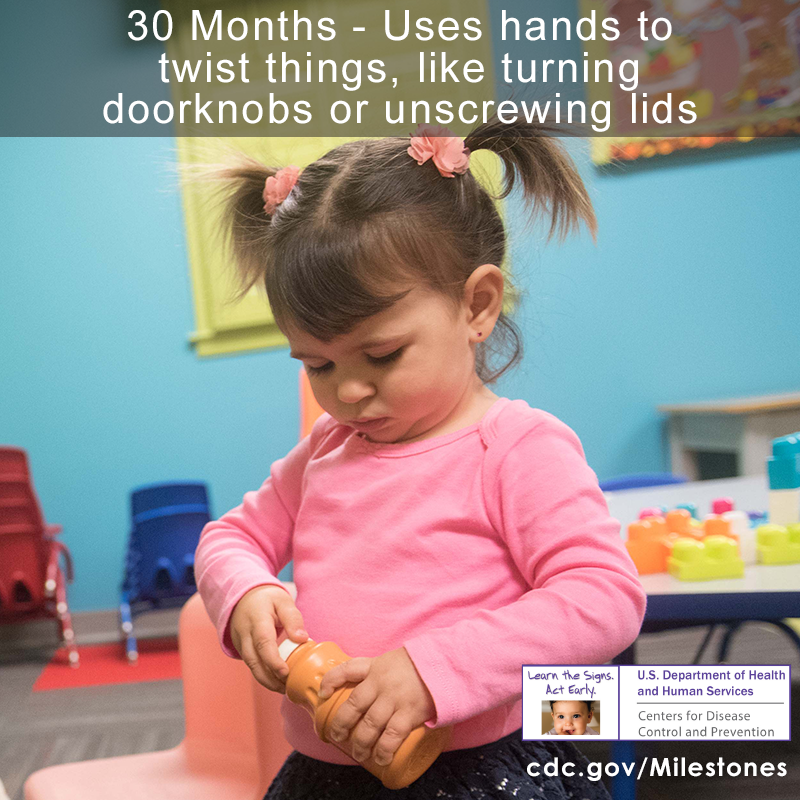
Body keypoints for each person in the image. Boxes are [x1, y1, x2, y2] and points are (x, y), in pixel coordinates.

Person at [195, 118, 646, 800]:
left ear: (477, 305)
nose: (346, 390)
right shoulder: (326, 451)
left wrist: (436, 669)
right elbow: (230, 537)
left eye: (382, 355)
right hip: (329, 772)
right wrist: (245, 592)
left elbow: (603, 599)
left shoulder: (517, 449)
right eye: (317, 362)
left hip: (483, 767)